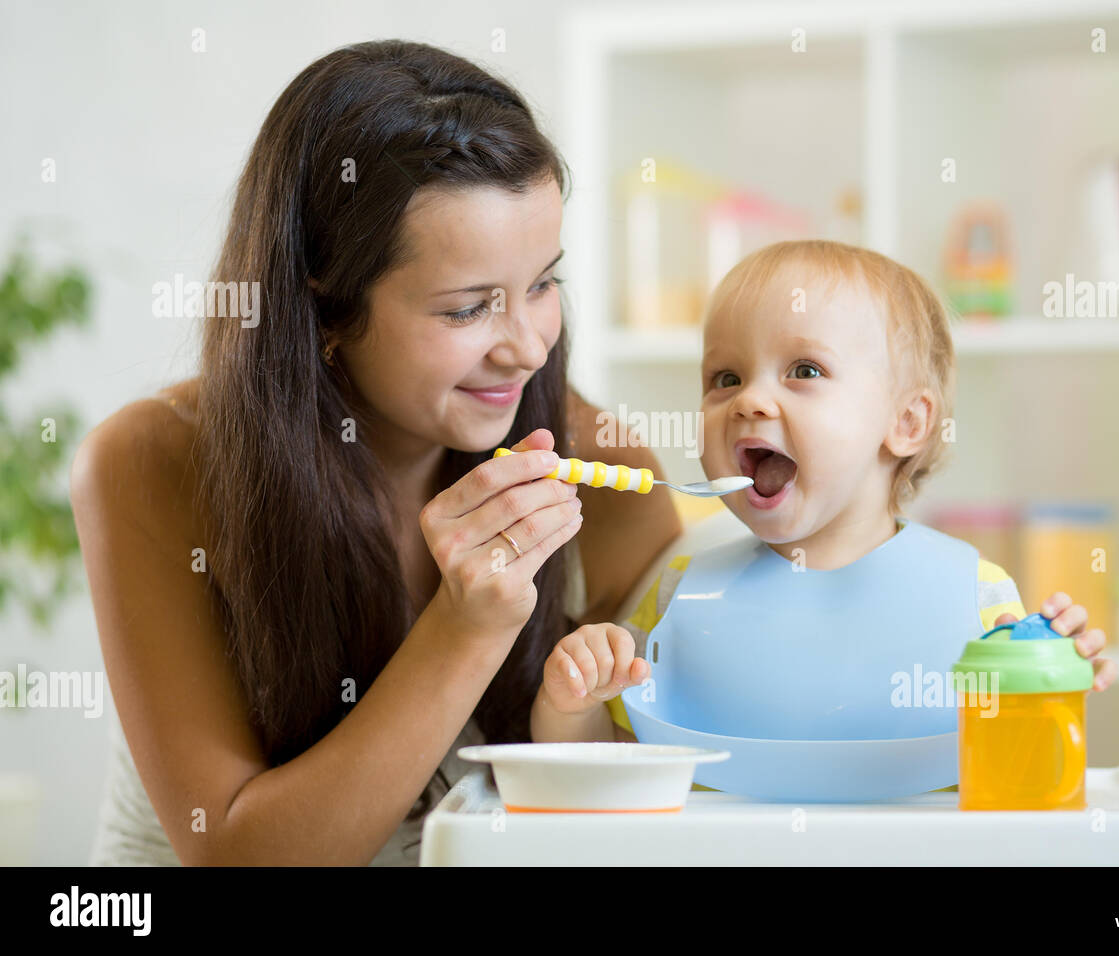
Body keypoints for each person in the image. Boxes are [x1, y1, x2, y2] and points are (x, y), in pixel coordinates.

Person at [69, 39, 681, 865]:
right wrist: (464, 630)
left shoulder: (602, 474)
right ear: (322, 308)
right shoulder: (151, 463)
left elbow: (642, 802)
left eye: (543, 284)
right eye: (468, 310)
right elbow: (242, 855)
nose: (529, 350)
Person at [531, 240, 1117, 763]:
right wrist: (575, 701)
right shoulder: (678, 598)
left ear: (906, 421)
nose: (749, 401)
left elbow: (1022, 774)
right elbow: (605, 773)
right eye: (726, 378)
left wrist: (1049, 681)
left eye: (804, 370)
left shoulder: (976, 602)